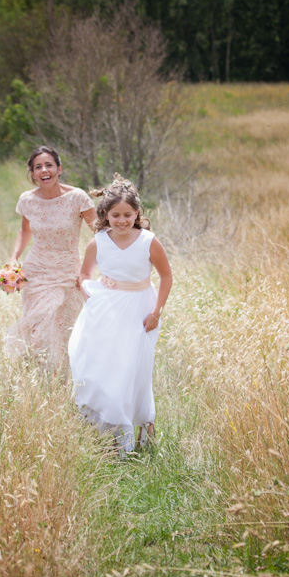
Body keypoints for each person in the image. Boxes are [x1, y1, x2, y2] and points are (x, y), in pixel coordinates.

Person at [68, 174, 173, 455]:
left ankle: (135, 432)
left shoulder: (148, 241)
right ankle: (106, 431)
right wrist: (92, 296)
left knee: (131, 369)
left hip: (140, 310)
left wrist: (156, 313)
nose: (122, 220)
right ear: (105, 214)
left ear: (137, 213)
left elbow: (166, 276)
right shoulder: (98, 242)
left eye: (128, 214)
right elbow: (85, 274)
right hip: (106, 310)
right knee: (101, 366)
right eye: (116, 215)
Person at [6, 146, 96, 369]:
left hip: (68, 273)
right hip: (36, 274)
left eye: (49, 165)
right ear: (33, 173)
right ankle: (41, 381)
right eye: (38, 167)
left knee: (64, 331)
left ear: (59, 169)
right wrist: (14, 258)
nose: (44, 170)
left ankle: (66, 382)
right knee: (39, 331)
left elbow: (100, 234)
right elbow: (25, 231)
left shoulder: (77, 198)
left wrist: (87, 271)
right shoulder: (27, 200)